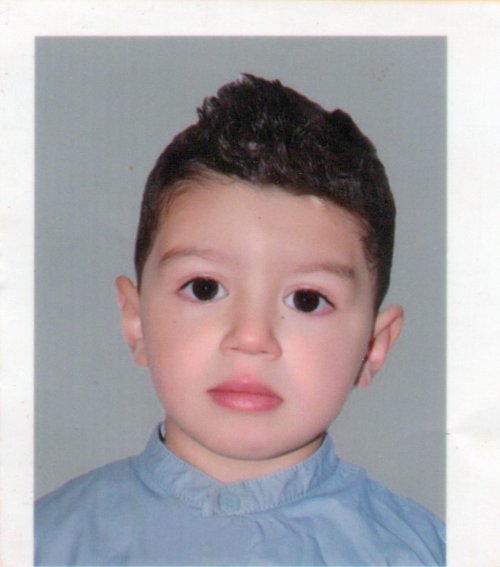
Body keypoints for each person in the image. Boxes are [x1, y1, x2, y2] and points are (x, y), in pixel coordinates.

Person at [35, 74, 445, 566]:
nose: (251, 338)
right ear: (135, 321)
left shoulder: (431, 552)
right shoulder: (39, 543)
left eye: (307, 300)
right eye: (204, 288)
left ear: (374, 347)